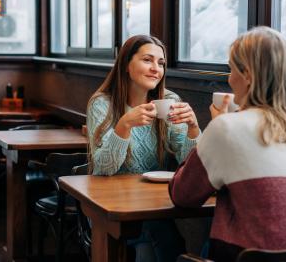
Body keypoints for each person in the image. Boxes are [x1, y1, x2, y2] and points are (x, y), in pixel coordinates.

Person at [169, 26, 286, 262]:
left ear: (247, 74)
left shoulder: (227, 128)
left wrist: (217, 129)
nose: (229, 79)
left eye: (231, 69)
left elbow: (182, 195)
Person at [86, 35, 201, 261]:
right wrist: (124, 124)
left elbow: (188, 163)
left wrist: (193, 129)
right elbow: (103, 168)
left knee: (171, 235)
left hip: (157, 204)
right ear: (126, 65)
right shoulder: (102, 104)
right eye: (148, 60)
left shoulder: (169, 100)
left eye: (161, 63)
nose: (155, 69)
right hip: (111, 206)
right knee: (161, 238)